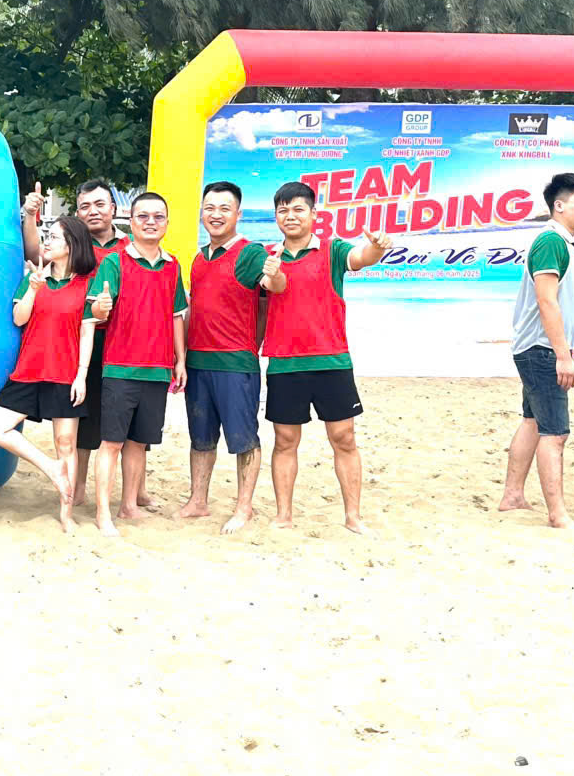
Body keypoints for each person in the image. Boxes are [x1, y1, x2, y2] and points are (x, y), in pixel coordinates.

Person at [261, 181, 391, 535]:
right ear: (276, 216)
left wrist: (377, 247)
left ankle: (353, 516)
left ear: (314, 214)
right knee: (285, 441)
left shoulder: (332, 250)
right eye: (283, 210)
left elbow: (361, 258)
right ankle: (284, 515)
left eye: (298, 209)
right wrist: (273, 273)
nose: (290, 216)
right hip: (285, 363)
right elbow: (275, 286)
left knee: (344, 438)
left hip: (332, 361)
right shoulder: (269, 254)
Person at [22, 179, 153, 511]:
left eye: (99, 204)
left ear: (113, 207)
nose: (93, 211)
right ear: (78, 212)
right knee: (81, 416)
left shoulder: (131, 245)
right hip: (83, 339)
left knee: (133, 423)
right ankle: (77, 487)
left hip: (126, 343)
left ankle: (137, 492)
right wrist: (30, 216)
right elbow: (36, 254)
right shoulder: (75, 246)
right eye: (85, 206)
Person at [177, 181, 285, 534]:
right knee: (200, 437)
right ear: (201, 213)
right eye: (210, 208)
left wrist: (276, 275)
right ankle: (198, 500)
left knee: (244, 439)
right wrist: (180, 357)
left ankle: (244, 507)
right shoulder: (199, 259)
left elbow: (272, 287)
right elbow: (193, 311)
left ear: (238, 214)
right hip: (198, 362)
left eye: (225, 208)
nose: (216, 214)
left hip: (235, 363)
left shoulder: (250, 253)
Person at [0, 216, 98, 532]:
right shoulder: (34, 278)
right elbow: (19, 319)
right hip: (29, 369)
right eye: (47, 235)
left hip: (65, 372)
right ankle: (50, 467)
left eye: (54, 237)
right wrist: (33, 288)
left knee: (66, 443)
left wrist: (81, 376)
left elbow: (87, 333)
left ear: (72, 245)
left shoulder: (87, 284)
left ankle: (66, 514)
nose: (47, 241)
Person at [81, 191, 187, 536]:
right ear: (131, 221)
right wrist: (101, 307)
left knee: (139, 442)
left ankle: (128, 506)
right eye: (143, 216)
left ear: (167, 222)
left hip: (158, 370)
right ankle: (103, 513)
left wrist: (181, 360)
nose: (150, 223)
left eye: (158, 217)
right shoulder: (115, 262)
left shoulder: (173, 265)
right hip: (120, 368)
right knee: (111, 442)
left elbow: (176, 315)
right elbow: (95, 311)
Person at [499, 172, 574, 529]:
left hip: (539, 348)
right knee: (555, 433)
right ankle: (558, 515)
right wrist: (563, 356)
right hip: (542, 349)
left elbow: (564, 299)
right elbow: (546, 301)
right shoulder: (551, 241)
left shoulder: (567, 244)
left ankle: (512, 496)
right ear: (559, 205)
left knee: (533, 421)